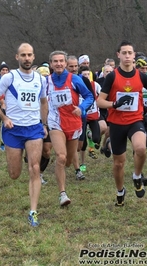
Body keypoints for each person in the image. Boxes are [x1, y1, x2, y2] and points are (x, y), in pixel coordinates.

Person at [0, 43, 48, 227]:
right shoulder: (9, 78)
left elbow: (44, 102)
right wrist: (4, 118)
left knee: (35, 168)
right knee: (14, 174)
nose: (27, 58)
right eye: (23, 55)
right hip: (13, 129)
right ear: (17, 57)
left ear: (34, 56)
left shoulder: (41, 79)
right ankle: (21, 157)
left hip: (33, 129)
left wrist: (44, 123)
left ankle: (33, 211)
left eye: (30, 55)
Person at [97, 40, 147, 206]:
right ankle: (120, 191)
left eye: (130, 53)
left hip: (136, 120)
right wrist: (113, 104)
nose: (127, 56)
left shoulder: (141, 76)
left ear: (134, 55)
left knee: (141, 148)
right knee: (118, 163)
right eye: (124, 53)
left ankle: (137, 175)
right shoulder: (113, 76)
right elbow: (100, 101)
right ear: (118, 55)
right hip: (116, 123)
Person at [47, 51, 94, 206]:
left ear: (65, 63)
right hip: (55, 122)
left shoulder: (75, 79)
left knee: (67, 161)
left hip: (73, 122)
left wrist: (82, 107)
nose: (59, 64)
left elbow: (90, 96)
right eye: (55, 61)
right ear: (51, 64)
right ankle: (62, 194)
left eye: (61, 61)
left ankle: (67, 168)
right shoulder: (46, 82)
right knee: (61, 157)